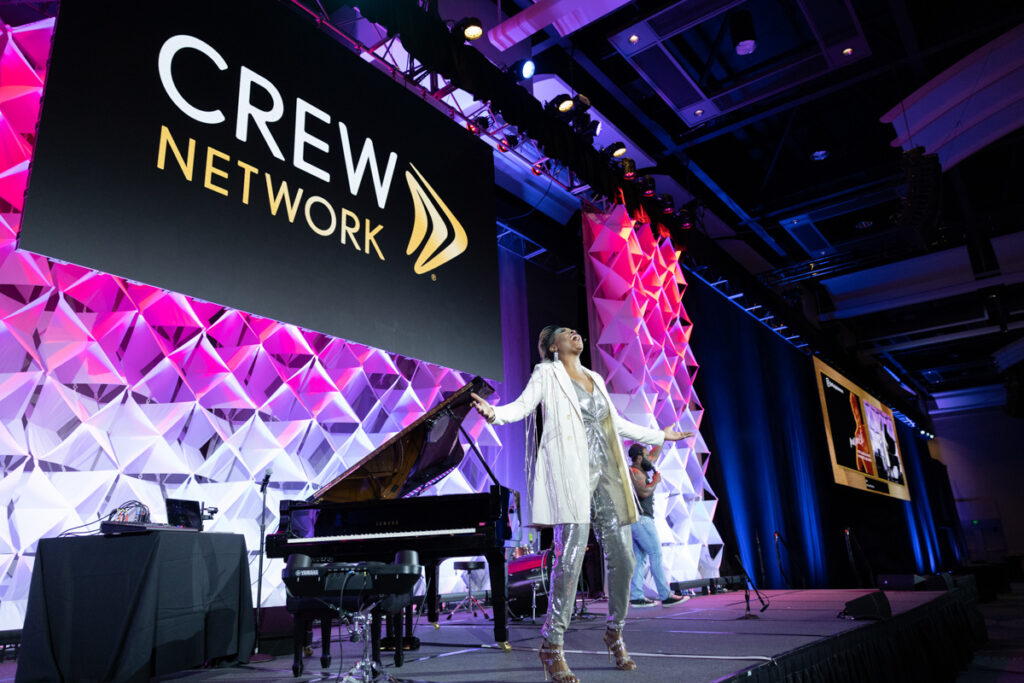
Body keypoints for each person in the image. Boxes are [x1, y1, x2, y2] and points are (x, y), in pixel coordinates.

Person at [471, 325, 691, 683]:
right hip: (571, 473)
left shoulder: (595, 378)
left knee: (624, 555)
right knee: (570, 558)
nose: (575, 333)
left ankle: (614, 632)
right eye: (566, 333)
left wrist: (659, 435)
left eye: (576, 331)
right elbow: (523, 407)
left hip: (606, 470)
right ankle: (552, 644)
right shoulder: (546, 373)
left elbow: (615, 422)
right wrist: (494, 414)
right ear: (553, 347)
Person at [627, 443, 689, 607]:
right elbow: (644, 491)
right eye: (646, 455)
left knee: (640, 559)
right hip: (642, 520)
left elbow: (653, 456)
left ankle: (636, 597)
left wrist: (662, 438)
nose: (650, 458)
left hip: (636, 521)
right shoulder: (634, 472)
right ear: (639, 457)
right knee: (655, 554)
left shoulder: (639, 469)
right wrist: (655, 480)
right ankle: (665, 595)